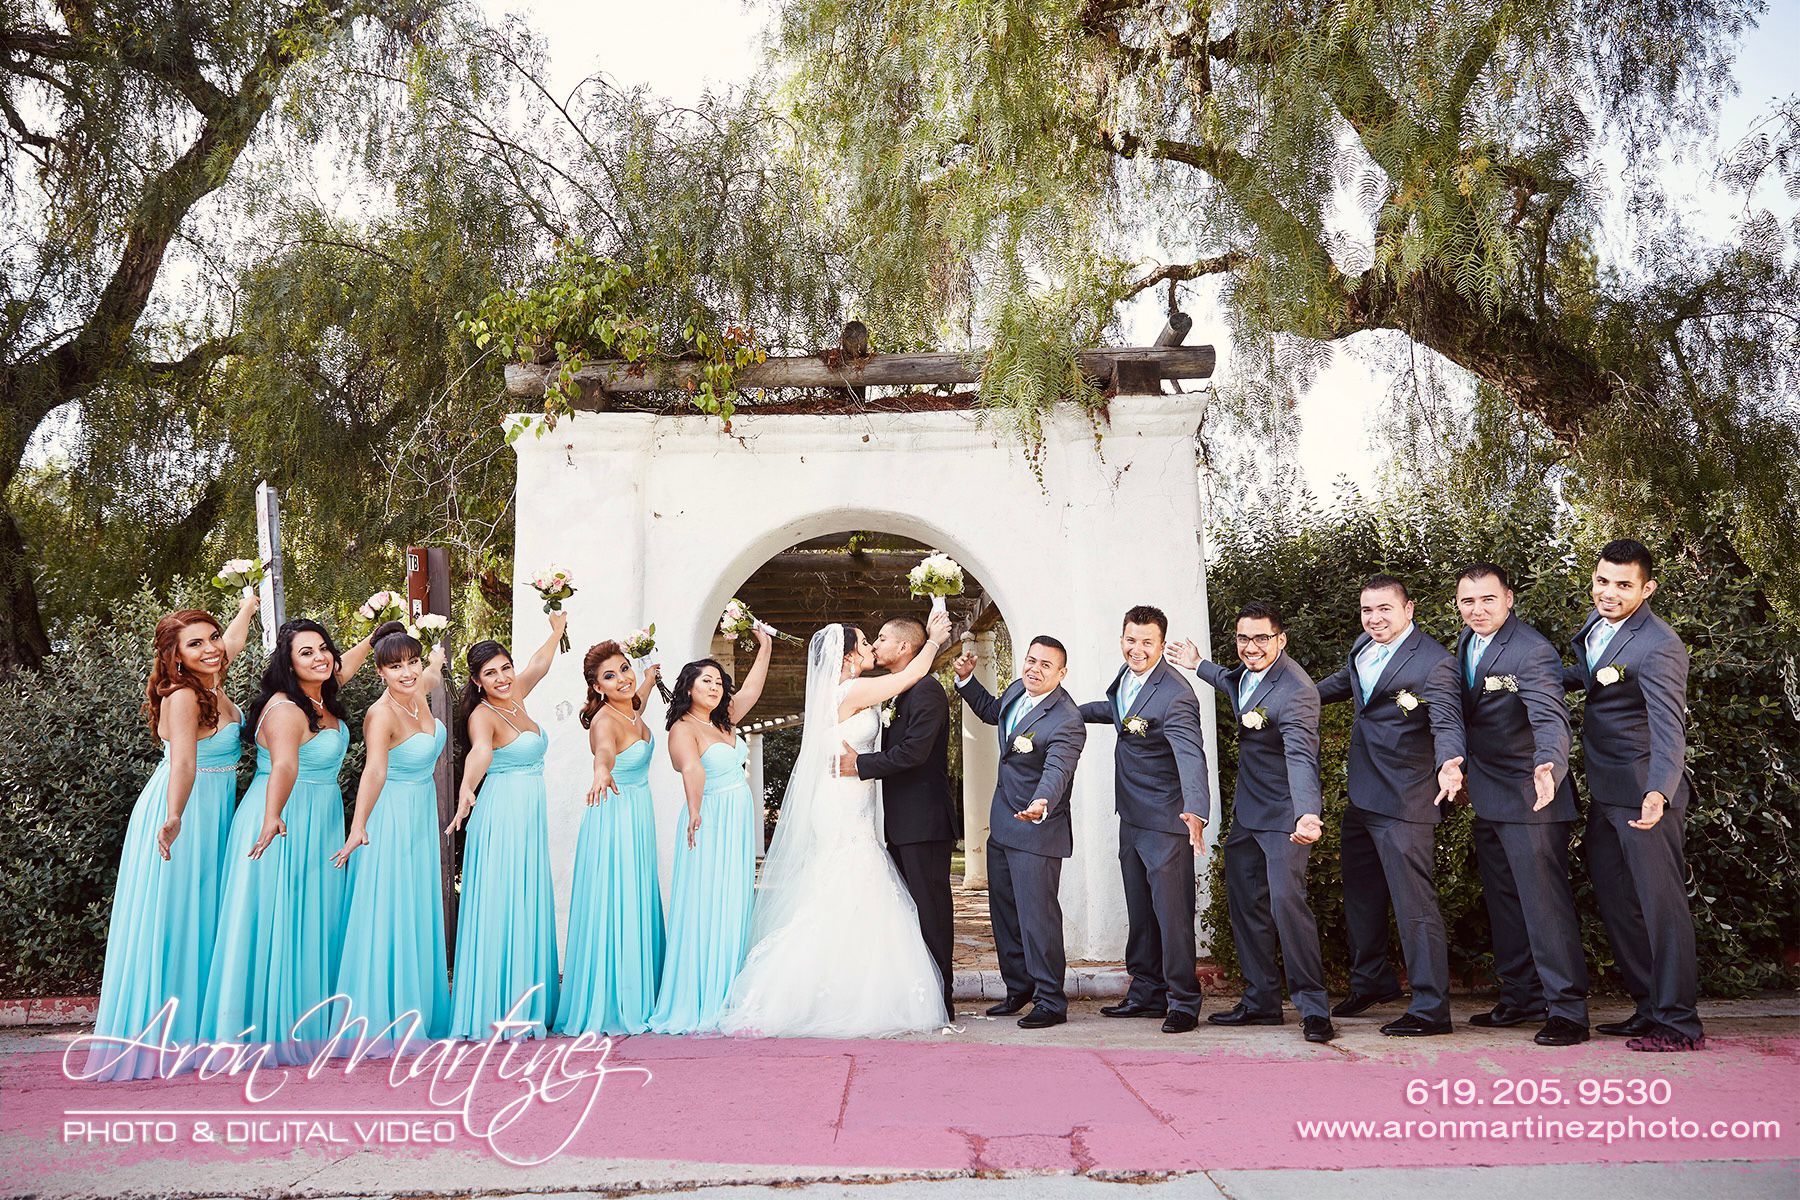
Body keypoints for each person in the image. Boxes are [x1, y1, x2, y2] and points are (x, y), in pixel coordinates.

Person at [719, 610, 954, 1038]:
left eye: (875, 640)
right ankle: (843, 992)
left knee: (846, 887)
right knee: (851, 882)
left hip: (849, 797)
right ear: (847, 657)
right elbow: (910, 674)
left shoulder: (845, 690)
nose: (871, 647)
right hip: (844, 800)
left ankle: (844, 984)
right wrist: (935, 639)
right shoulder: (853, 689)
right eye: (866, 642)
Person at [85, 597, 257, 1080]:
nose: (211, 649)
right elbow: (183, 763)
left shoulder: (213, 682)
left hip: (214, 810)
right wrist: (175, 815)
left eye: (212, 639)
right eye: (195, 643)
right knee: (176, 913)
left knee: (204, 913)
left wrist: (248, 605)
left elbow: (232, 645)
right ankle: (163, 1037)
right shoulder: (183, 696)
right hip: (181, 811)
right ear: (175, 655)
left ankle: (198, 1031)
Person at [202, 616, 374, 1064]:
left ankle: (304, 1020)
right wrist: (273, 815)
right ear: (288, 664)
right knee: (276, 918)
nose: (320, 657)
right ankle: (262, 1031)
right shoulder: (285, 709)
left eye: (323, 648)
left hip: (321, 817)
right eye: (306, 652)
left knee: (309, 916)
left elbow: (345, 666)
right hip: (282, 815)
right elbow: (283, 766)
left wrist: (375, 636)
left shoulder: (320, 690)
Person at [1438, 563, 1590, 1046]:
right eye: (1467, 601)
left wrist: (1550, 763)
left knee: (1545, 908)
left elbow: (1549, 717)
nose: (1476, 610)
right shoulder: (1467, 643)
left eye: (1487, 600)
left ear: (1508, 599)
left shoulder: (1532, 651)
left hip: (1531, 796)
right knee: (1506, 905)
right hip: (1488, 795)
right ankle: (1521, 996)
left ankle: (1568, 1012)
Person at [1168, 602, 1333, 1044]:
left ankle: (1314, 1008)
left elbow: (1301, 757)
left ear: (1281, 640)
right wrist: (1197, 663)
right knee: (1246, 904)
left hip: (1285, 816)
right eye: (1243, 638)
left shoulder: (1295, 690)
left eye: (1262, 638)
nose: (1251, 647)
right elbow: (1230, 681)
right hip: (1248, 813)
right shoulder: (1246, 674)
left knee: (1287, 906)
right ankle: (1261, 1000)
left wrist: (1307, 812)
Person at [1563, 539, 1704, 1051]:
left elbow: (1670, 728)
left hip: (1646, 795)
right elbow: (1590, 677)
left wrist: (1659, 792)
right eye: (1603, 581)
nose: (1610, 593)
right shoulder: (1598, 627)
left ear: (1647, 589)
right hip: (1607, 791)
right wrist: (1531, 683)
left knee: (1661, 907)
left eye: (1624, 585)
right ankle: (1648, 1006)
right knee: (1619, 902)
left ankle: (1679, 1023)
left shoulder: (1659, 644)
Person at [1315, 576, 1462, 1036]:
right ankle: (1372, 980)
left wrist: (1450, 764)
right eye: (1367, 610)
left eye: (1385, 610)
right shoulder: (1363, 646)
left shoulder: (1436, 663)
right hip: (1363, 792)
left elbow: (1447, 723)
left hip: (1406, 797)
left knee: (1414, 905)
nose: (1375, 619)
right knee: (1362, 894)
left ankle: (1431, 1007)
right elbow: (1342, 684)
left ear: (1409, 610)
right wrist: (1287, 698)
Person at [1075, 605, 1210, 1034]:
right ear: (1122, 640)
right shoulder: (1126, 678)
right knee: (1141, 911)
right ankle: (1147, 992)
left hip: (1167, 821)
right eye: (1131, 640)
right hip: (1131, 817)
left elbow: (1191, 756)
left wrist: (1197, 811)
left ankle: (1184, 1001)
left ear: (1161, 644)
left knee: (1172, 915)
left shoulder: (1176, 694)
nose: (1137, 649)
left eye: (1147, 642)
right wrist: (1065, 712)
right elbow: (1114, 711)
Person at [953, 635, 1087, 1029]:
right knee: (1005, 915)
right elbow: (995, 714)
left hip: (1037, 832)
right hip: (1003, 826)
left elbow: (1058, 769)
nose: (1034, 668)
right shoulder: (1015, 690)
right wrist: (965, 682)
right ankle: (1019, 989)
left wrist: (1043, 801)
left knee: (1038, 919)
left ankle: (1050, 1001)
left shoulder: (1067, 719)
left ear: (1062, 673)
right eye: (1031, 660)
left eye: (1046, 665)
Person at [445, 613, 567, 1041]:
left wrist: (556, 630)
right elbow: (479, 751)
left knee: (525, 896)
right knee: (504, 899)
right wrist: (465, 793)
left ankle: (527, 998)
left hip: (528, 814)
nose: (501, 677)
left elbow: (539, 664)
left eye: (504, 668)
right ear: (477, 681)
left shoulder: (517, 694)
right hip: (502, 815)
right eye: (490, 673)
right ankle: (497, 1005)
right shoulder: (483, 715)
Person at [331, 621, 450, 1056]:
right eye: (396, 666)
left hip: (420, 813)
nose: (407, 672)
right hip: (391, 816)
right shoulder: (380, 714)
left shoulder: (420, 691)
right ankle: (382, 1018)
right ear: (379, 671)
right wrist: (359, 824)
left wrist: (435, 652)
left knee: (416, 905)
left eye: (412, 663)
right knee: (390, 907)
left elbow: (434, 673)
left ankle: (418, 1008)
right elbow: (375, 770)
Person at [646, 629, 774, 1033]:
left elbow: (752, 689)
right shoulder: (683, 728)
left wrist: (765, 644)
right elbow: (692, 769)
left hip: (735, 820)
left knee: (734, 899)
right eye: (707, 681)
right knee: (709, 900)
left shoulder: (724, 719)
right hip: (711, 818)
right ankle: (704, 994)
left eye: (719, 682)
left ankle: (730, 987)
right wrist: (696, 810)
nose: (716, 687)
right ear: (687, 687)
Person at [832, 616, 959, 1019]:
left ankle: (942, 997)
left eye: (882, 638)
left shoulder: (926, 691)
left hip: (924, 823)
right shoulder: (896, 692)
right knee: (908, 914)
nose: (876, 645)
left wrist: (861, 764)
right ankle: (917, 995)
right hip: (899, 823)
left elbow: (914, 753)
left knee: (930, 910)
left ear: (904, 648)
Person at [556, 639, 666, 1037]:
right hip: (615, 820)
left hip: (637, 817)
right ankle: (615, 1000)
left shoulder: (632, 706)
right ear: (596, 687)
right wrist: (602, 771)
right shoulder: (605, 720)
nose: (621, 678)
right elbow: (604, 750)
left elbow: (638, 701)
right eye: (609, 676)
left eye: (624, 669)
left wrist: (651, 676)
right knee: (616, 902)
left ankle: (637, 989)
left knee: (634, 898)